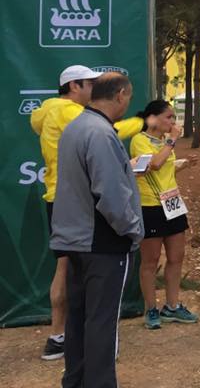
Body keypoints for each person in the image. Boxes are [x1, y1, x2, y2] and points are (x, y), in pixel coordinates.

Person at [30, 65, 142, 361]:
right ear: (74, 86)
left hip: (63, 200)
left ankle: (62, 338)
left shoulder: (58, 115)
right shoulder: (72, 115)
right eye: (89, 84)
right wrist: (143, 121)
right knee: (75, 278)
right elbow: (107, 135)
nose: (94, 89)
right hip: (78, 202)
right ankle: (64, 338)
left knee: (69, 274)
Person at [131, 100, 199, 329]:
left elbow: (166, 168)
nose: (172, 121)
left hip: (172, 203)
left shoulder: (163, 141)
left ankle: (172, 305)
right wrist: (172, 141)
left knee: (176, 257)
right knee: (150, 261)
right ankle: (151, 309)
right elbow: (155, 165)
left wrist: (183, 164)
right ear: (152, 118)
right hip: (150, 205)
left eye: (173, 117)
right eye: (168, 117)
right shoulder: (140, 140)